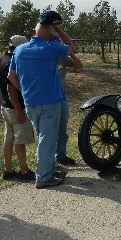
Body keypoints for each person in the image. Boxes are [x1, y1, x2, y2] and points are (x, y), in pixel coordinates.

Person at [7, 11, 81, 189]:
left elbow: (11, 75)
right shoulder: (50, 48)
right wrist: (58, 29)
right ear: (49, 33)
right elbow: (70, 46)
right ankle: (43, 177)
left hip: (30, 102)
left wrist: (23, 90)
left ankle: (49, 170)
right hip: (50, 102)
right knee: (47, 140)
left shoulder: (19, 50)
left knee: (44, 138)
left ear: (34, 32)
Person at [0, 35, 35, 181]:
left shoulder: (0, 60)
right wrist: (19, 110)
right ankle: (24, 170)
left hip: (5, 105)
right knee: (20, 139)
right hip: (15, 106)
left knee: (8, 138)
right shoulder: (13, 62)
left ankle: (8, 169)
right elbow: (11, 88)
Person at [55, 37, 83, 167]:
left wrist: (70, 53)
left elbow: (78, 66)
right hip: (47, 98)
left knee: (62, 128)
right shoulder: (43, 58)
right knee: (49, 130)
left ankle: (61, 155)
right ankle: (48, 160)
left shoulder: (62, 59)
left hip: (61, 97)